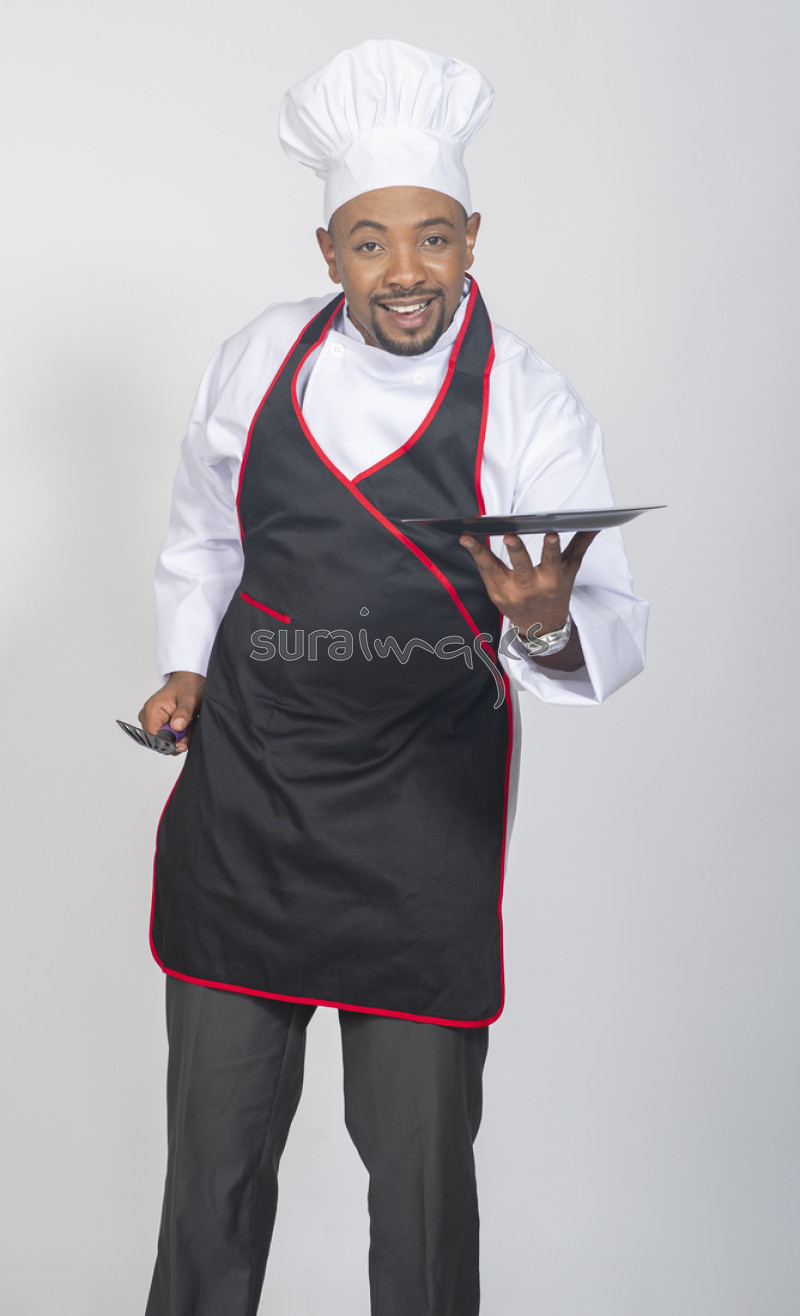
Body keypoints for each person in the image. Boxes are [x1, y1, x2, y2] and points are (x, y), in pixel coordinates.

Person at [137, 39, 649, 1316]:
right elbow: (204, 537)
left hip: (419, 838)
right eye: (370, 243)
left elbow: (600, 624)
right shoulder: (258, 359)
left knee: (421, 1197)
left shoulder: (527, 403)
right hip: (248, 815)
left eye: (431, 237)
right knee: (209, 1184)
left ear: (472, 237)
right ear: (328, 253)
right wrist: (184, 668)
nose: (405, 270)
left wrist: (541, 621)